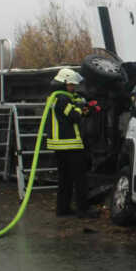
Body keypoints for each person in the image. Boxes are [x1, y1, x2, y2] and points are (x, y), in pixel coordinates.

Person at [46, 68, 94, 219]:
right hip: (69, 145)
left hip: (60, 146)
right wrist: (80, 107)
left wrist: (87, 109)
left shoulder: (56, 97)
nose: (74, 88)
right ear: (63, 83)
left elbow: (75, 113)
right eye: (71, 85)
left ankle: (63, 208)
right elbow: (74, 116)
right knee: (80, 178)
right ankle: (83, 210)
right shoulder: (61, 99)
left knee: (65, 179)